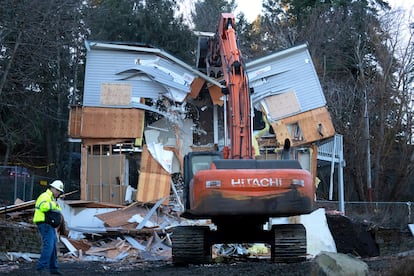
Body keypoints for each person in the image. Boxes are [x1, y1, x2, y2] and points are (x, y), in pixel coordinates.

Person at [33, 180, 65, 275]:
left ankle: (53, 269)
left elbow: (58, 209)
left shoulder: (51, 198)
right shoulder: (45, 196)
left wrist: (55, 205)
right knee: (49, 246)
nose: (59, 193)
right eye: (58, 191)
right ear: (53, 189)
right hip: (44, 224)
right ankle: (40, 268)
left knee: (53, 246)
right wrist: (53, 205)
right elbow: (43, 207)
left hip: (48, 224)